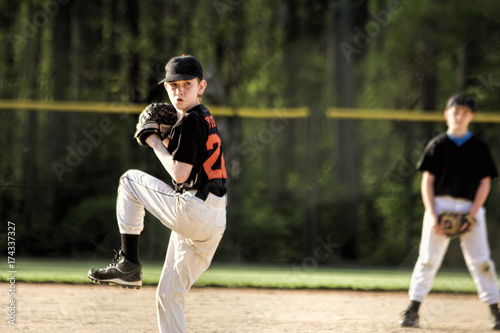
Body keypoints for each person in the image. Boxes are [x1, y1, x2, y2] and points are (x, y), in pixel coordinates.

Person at [88, 55, 227, 333]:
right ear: (166, 88)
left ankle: (128, 262)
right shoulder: (203, 117)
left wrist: (153, 141)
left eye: (187, 84)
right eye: (173, 85)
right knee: (168, 295)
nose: (179, 90)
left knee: (129, 180)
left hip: (193, 212)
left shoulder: (189, 121)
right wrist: (166, 138)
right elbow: (186, 163)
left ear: (201, 86)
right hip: (214, 220)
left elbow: (179, 174)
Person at [399, 93, 500, 330]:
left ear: (471, 117)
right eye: (455, 111)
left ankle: (495, 312)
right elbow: (427, 182)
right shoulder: (438, 145)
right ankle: (412, 311)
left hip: (470, 206)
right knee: (427, 259)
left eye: (465, 112)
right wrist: (433, 215)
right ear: (447, 114)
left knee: (481, 261)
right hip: (440, 205)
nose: (459, 116)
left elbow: (485, 182)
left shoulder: (478, 147)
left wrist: (472, 214)